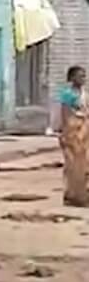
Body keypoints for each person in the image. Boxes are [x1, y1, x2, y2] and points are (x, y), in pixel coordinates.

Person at [58, 65, 88, 207]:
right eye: (80, 76)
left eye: (84, 76)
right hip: (72, 132)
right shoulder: (67, 94)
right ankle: (72, 196)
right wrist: (65, 132)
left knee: (84, 165)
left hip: (84, 132)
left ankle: (82, 195)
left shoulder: (84, 93)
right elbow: (65, 114)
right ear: (71, 78)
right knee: (72, 165)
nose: (83, 79)